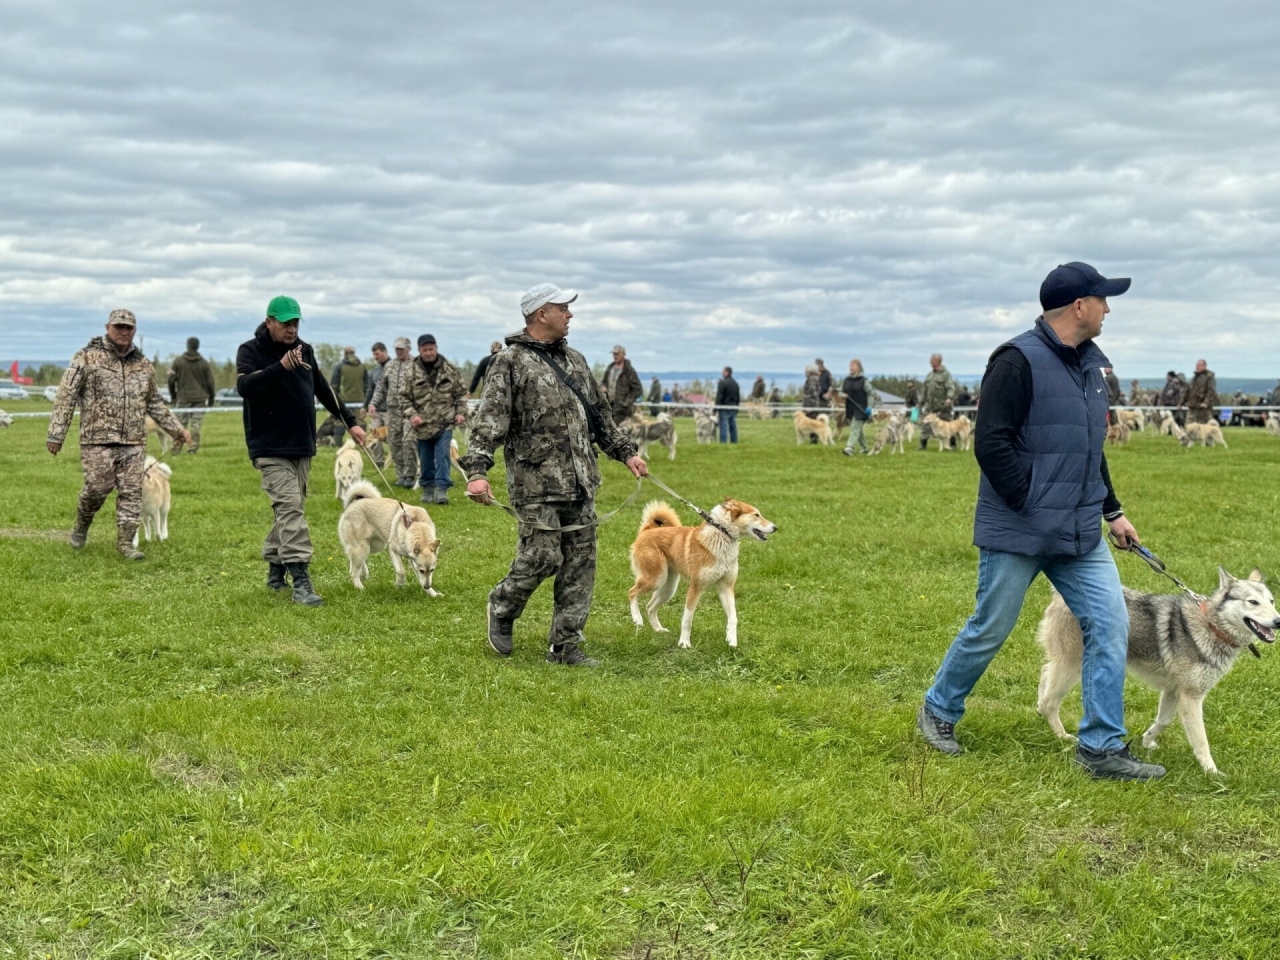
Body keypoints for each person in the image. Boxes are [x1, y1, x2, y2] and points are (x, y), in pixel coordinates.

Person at [916, 262, 1163, 781]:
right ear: (1079, 306)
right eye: (1103, 299)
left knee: (1111, 623)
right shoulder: (1015, 360)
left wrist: (1112, 512)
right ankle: (938, 709)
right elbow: (991, 443)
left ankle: (1100, 748)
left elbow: (1090, 449)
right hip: (1019, 528)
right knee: (992, 626)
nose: (1109, 309)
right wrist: (1030, 500)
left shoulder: (1091, 370)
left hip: (1079, 533)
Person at [460, 283, 646, 667]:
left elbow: (600, 416)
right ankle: (502, 606)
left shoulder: (576, 361)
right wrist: (477, 470)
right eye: (564, 308)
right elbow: (490, 420)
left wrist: (626, 453)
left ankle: (565, 647)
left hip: (581, 480)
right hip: (535, 483)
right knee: (541, 557)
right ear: (541, 313)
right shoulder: (510, 362)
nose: (570, 314)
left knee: (580, 565)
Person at [236, 296, 364, 606]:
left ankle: (275, 566)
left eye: (296, 323)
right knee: (291, 508)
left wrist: (350, 422)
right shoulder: (250, 351)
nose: (292, 329)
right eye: (286, 323)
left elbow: (322, 387)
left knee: (289, 510)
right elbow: (245, 388)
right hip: (269, 446)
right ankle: (301, 579)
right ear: (269, 322)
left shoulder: (304, 350)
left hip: (302, 444)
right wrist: (280, 367)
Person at [47, 310, 191, 558]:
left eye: (129, 328)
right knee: (96, 487)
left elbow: (154, 402)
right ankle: (82, 524)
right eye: (119, 327)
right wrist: (56, 434)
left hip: (133, 441)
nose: (124, 332)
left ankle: (126, 544)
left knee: (132, 492)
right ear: (108, 327)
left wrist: (177, 429)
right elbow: (65, 397)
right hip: (97, 440)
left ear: (134, 330)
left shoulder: (144, 365)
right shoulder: (86, 358)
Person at [403, 334, 467, 504]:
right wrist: (412, 415)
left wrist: (461, 412)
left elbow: (461, 393)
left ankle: (441, 490)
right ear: (419, 351)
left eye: (431, 349)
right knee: (425, 460)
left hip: (444, 423)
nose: (429, 353)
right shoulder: (410, 372)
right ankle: (428, 489)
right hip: (422, 426)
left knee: (443, 457)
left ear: (436, 348)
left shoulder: (449, 369)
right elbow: (403, 397)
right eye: (425, 350)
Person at [368, 337, 419, 487]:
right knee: (394, 442)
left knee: (409, 442)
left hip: (410, 411)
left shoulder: (416, 365)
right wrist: (373, 404)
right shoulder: (390, 366)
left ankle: (410, 475)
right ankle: (401, 474)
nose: (399, 352)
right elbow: (381, 388)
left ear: (409, 348)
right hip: (393, 411)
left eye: (402, 349)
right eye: (397, 349)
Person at [167, 336, 216, 453]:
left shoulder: (178, 362)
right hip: (200, 398)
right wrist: (211, 398)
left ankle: (176, 448)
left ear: (187, 345)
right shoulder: (204, 363)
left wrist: (173, 396)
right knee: (196, 425)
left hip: (183, 398)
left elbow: (170, 380)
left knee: (179, 425)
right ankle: (193, 449)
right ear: (198, 346)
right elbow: (210, 382)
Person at [329, 347, 370, 444]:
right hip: (359, 400)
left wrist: (334, 399)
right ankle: (362, 443)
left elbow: (334, 385)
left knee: (340, 421)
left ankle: (338, 445)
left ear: (345, 354)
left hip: (343, 400)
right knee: (360, 421)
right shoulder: (362, 367)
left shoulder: (340, 366)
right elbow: (367, 385)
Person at [919, 354, 958, 449]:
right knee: (926, 425)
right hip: (930, 406)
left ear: (937, 361)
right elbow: (925, 390)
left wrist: (949, 398)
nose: (930, 363)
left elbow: (950, 388)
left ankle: (952, 444)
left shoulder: (946, 374)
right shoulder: (930, 375)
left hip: (943, 406)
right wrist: (921, 402)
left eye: (932, 361)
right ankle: (923, 444)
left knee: (948, 425)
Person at [600, 344, 642, 424]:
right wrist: (603, 387)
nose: (615, 356)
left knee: (622, 433)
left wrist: (627, 402)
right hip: (609, 406)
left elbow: (637, 388)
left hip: (623, 410)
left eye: (617, 354)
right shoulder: (610, 368)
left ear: (623, 355)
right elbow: (603, 382)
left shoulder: (629, 371)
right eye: (614, 354)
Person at [841, 359, 871, 456]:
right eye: (850, 366)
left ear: (858, 368)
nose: (851, 368)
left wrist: (870, 406)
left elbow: (870, 394)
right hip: (850, 407)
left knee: (855, 427)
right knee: (858, 429)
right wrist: (842, 395)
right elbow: (840, 391)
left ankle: (849, 448)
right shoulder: (846, 380)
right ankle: (865, 448)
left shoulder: (864, 381)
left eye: (853, 366)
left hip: (861, 407)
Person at [1185, 359, 1218, 424]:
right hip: (1193, 406)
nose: (1197, 367)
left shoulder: (1209, 377)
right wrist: (1181, 402)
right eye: (1196, 365)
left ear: (1204, 366)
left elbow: (1211, 391)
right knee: (1189, 427)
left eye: (1199, 365)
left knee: (1205, 428)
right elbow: (1188, 391)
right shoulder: (1194, 378)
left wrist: (1206, 402)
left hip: (1203, 408)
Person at [715, 366, 740, 443]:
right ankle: (734, 441)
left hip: (724, 407)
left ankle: (723, 442)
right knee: (733, 426)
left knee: (723, 426)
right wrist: (737, 407)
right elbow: (738, 397)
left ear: (727, 372)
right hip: (733, 407)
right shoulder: (735, 383)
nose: (722, 373)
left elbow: (719, 397)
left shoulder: (722, 383)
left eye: (723, 371)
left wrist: (716, 408)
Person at [365, 342, 389, 416]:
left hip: (390, 411)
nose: (375, 357)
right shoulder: (374, 371)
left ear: (384, 352)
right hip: (376, 411)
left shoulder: (395, 368)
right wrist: (364, 406)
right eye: (374, 354)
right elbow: (370, 390)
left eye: (377, 354)